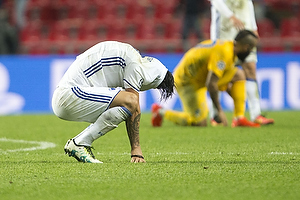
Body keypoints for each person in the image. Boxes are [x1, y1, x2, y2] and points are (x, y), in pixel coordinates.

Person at [52, 41, 175, 163]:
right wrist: (136, 149)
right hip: (69, 95)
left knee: (126, 104)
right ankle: (80, 143)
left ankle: (81, 142)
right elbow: (134, 105)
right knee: (131, 101)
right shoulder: (136, 66)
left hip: (70, 95)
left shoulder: (131, 58)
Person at [151, 30, 260, 128]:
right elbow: (211, 84)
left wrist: (236, 96)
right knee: (199, 123)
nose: (250, 51)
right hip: (187, 81)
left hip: (200, 77)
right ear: (246, 46)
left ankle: (239, 118)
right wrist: (219, 111)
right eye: (251, 48)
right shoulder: (224, 53)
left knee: (239, 74)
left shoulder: (229, 48)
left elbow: (219, 80)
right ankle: (160, 111)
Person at [209, 0, 274, 125]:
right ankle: (215, 115)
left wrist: (253, 27)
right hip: (224, 31)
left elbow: (248, 2)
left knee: (250, 68)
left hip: (244, 29)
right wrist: (230, 16)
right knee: (218, 73)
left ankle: (256, 114)